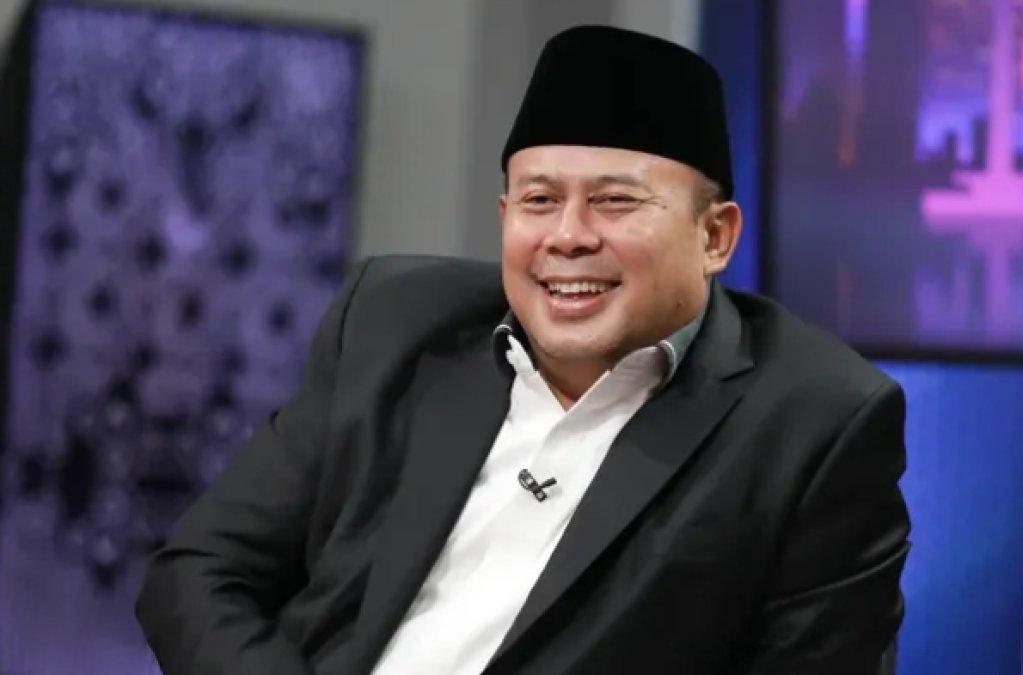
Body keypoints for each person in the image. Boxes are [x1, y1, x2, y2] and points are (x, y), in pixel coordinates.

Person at [136, 25, 911, 675]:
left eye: (614, 200)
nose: (567, 236)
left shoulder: (815, 421)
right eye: (539, 200)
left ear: (715, 236)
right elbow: (199, 574)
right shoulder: (391, 322)